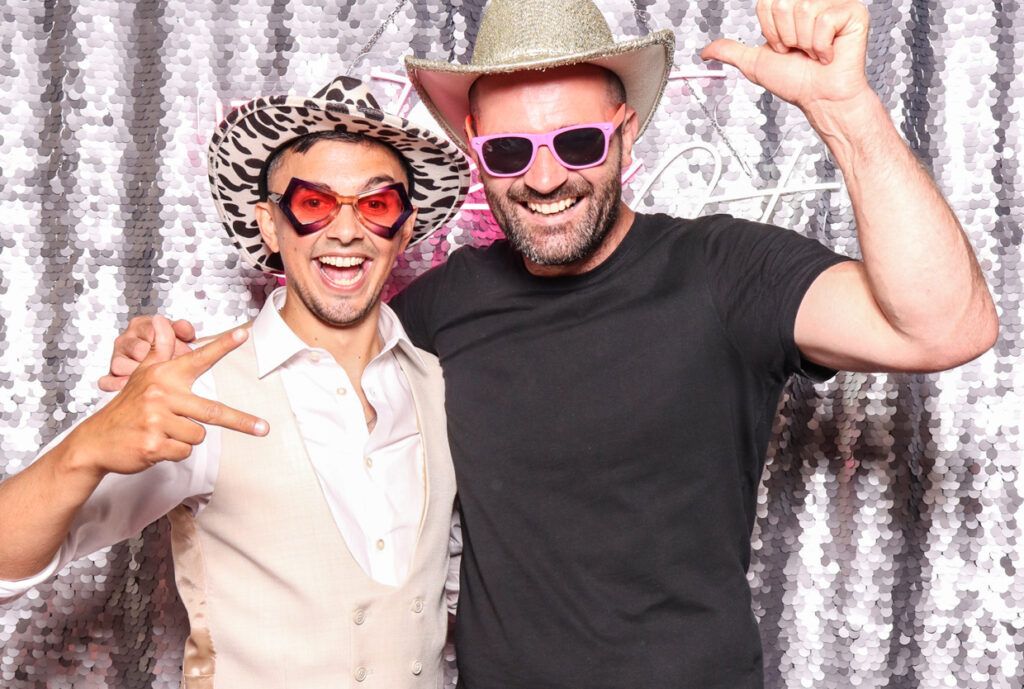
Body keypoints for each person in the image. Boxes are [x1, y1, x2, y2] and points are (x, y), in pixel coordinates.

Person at [104, 0, 999, 687]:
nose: (543, 177)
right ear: (474, 150)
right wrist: (161, 350)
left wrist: (845, 111)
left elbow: (945, 325)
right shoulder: (439, 311)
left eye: (575, 141)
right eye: (510, 151)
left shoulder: (725, 271)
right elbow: (303, 351)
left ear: (626, 135)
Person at [0, 76, 470, 688]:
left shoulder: (439, 385)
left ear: (404, 230)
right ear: (270, 227)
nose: (346, 231)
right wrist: (83, 451)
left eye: (376, 205)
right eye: (313, 204)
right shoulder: (196, 388)